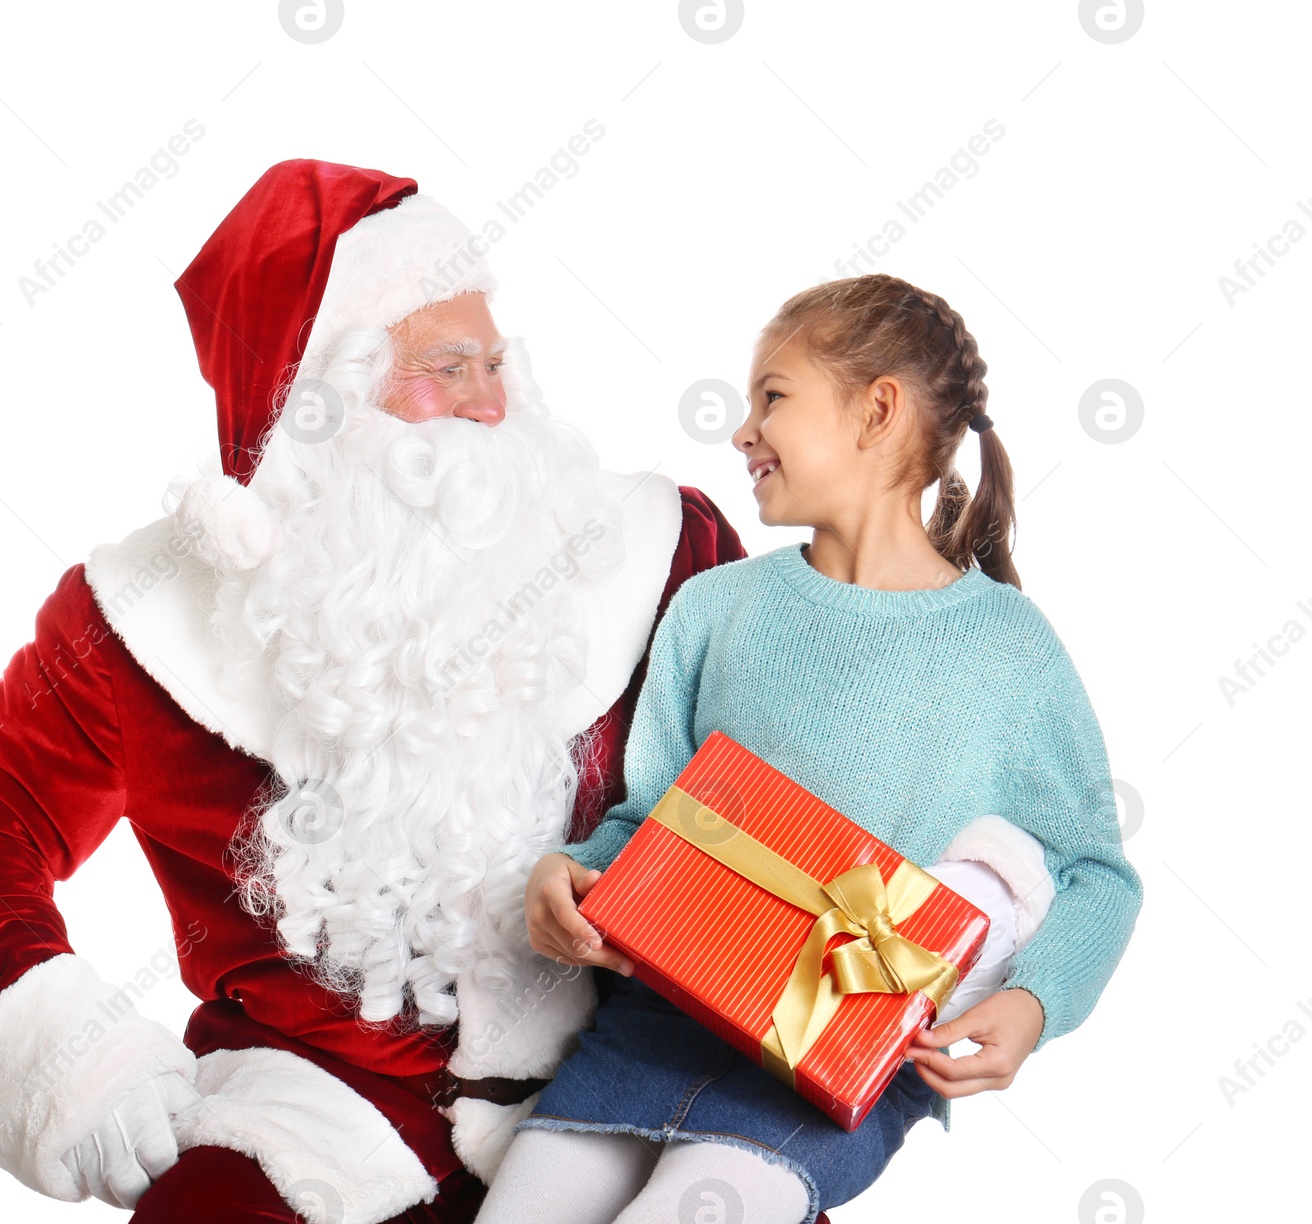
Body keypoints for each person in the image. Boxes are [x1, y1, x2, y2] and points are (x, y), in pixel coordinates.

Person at [0, 159, 746, 1224]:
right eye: (444, 367)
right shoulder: (142, 619)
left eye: (495, 362)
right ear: (319, 408)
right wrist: (66, 1058)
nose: (490, 406)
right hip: (320, 1116)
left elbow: (788, 789)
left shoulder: (656, 553)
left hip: (626, 1085)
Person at [481, 274, 1144, 1224]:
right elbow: (651, 815)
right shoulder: (716, 608)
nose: (743, 431)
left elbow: (1096, 871)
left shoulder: (1008, 651)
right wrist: (573, 871)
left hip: (840, 1052)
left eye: (774, 398)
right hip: (658, 1022)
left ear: (877, 411)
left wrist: (1037, 1005)